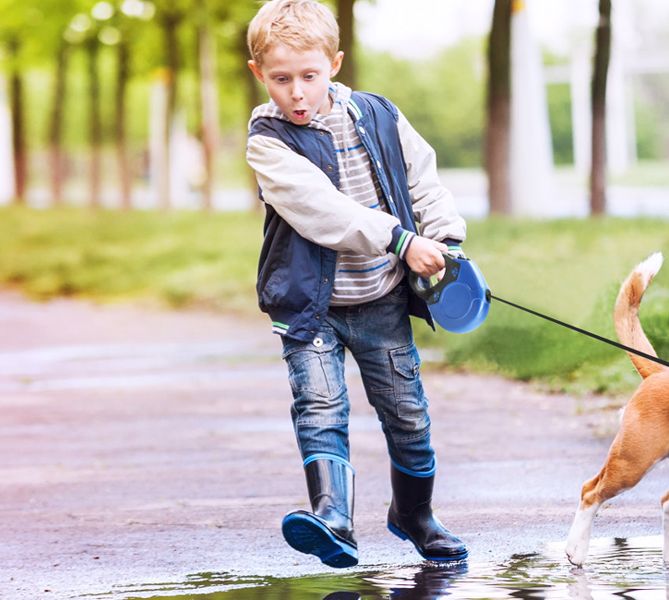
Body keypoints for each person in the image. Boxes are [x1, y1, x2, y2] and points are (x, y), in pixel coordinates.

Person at [243, 0, 468, 567]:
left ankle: (414, 514)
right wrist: (400, 240)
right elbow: (322, 210)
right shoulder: (268, 140)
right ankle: (333, 519)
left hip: (380, 299)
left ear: (335, 64)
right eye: (281, 79)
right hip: (311, 307)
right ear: (258, 74)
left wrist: (445, 241)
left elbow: (423, 179)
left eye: (309, 76)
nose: (296, 92)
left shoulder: (379, 115)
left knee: (407, 413)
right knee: (319, 406)